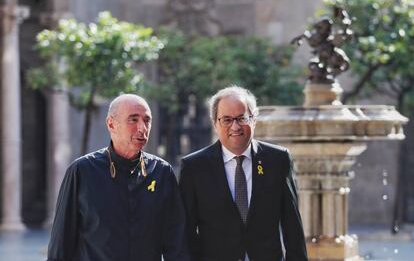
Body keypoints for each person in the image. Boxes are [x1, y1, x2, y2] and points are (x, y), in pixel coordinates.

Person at [47, 94, 189, 261]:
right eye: (133, 120)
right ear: (111, 124)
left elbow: (177, 244)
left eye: (147, 120)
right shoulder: (82, 171)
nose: (142, 128)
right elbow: (61, 245)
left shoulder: (162, 172)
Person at [179, 86, 308, 261]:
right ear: (215, 123)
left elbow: (292, 225)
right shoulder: (194, 167)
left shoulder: (278, 160)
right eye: (226, 119)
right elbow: (185, 232)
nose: (235, 126)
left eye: (242, 118)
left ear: (254, 119)